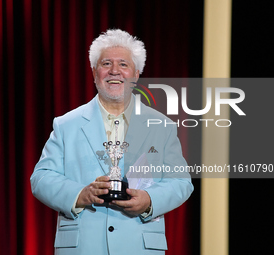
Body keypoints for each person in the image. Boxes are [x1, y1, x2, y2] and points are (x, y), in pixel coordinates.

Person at [30, 29, 193, 255]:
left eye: (123, 65)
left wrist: (149, 200)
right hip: (82, 247)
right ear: (94, 72)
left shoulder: (161, 125)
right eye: (106, 63)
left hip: (139, 246)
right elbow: (41, 178)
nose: (114, 71)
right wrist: (80, 194)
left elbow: (181, 181)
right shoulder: (66, 124)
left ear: (136, 74)